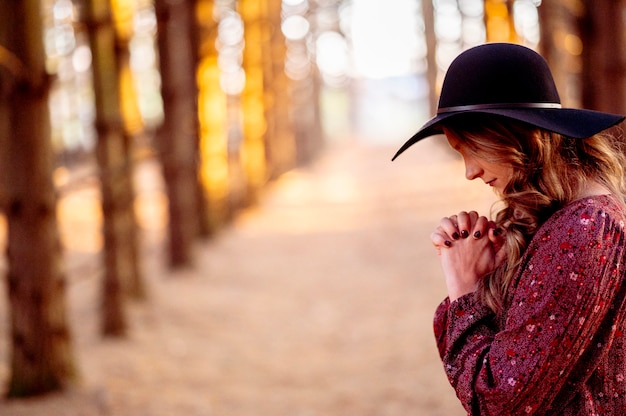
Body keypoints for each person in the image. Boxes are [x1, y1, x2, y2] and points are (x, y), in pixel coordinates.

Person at [392, 42, 626, 415]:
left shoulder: (583, 230)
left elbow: (498, 401)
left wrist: (465, 289)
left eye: (471, 147)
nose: (470, 171)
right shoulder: (565, 221)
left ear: (515, 134)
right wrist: (488, 275)